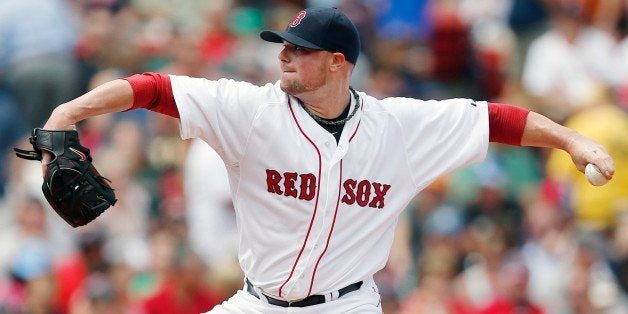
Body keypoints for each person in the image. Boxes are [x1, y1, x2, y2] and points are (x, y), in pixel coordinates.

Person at [37, 7, 614, 313]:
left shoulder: (396, 127)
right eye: (283, 46)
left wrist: (572, 141)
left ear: (338, 62)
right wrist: (68, 112)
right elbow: (153, 88)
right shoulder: (251, 110)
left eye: (298, 50)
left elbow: (496, 120)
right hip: (257, 304)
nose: (283, 56)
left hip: (346, 307)